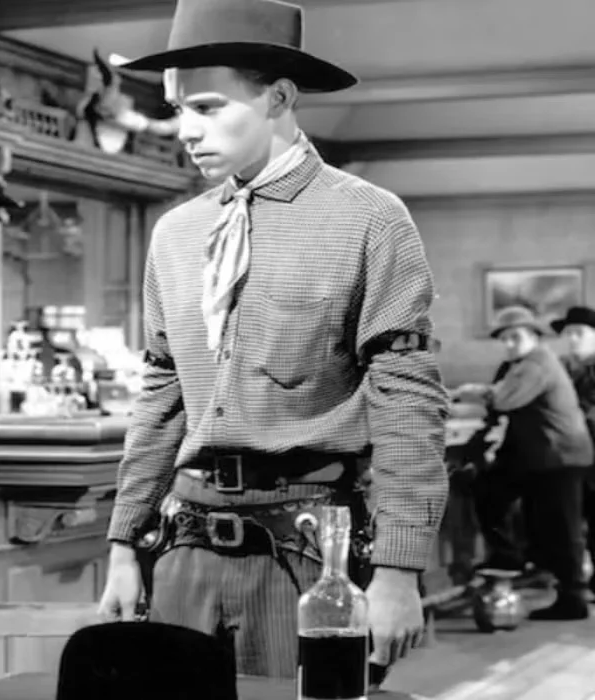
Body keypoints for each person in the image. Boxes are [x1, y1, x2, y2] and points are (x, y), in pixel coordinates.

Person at [96, 0, 448, 679]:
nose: (186, 133)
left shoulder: (369, 220)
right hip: (185, 549)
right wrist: (123, 542)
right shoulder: (176, 233)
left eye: (206, 107)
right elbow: (161, 392)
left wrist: (399, 573)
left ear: (280, 96)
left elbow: (407, 404)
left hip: (308, 554)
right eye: (177, 112)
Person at [460, 306, 593, 619]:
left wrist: (466, 392)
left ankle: (570, 598)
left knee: (561, 529)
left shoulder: (536, 364)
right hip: (542, 458)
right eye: (504, 339)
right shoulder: (524, 363)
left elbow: (505, 399)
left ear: (534, 336)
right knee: (496, 491)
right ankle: (512, 558)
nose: (509, 343)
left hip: (559, 457)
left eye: (515, 337)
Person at [555, 305, 595, 596]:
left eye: (579, 333)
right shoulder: (560, 367)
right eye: (568, 334)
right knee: (571, 519)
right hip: (569, 453)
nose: (573, 339)